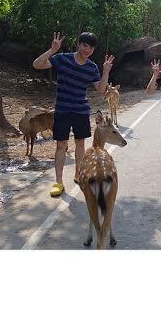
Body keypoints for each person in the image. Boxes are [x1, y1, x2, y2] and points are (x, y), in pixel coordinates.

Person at [32, 31, 115, 197]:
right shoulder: (63, 59)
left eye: (90, 47)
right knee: (61, 145)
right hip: (63, 109)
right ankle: (59, 183)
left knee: (80, 143)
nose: (87, 50)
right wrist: (52, 50)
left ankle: (78, 175)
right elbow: (37, 64)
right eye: (85, 45)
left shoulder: (92, 67)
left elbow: (100, 90)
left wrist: (106, 71)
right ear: (79, 44)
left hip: (81, 110)